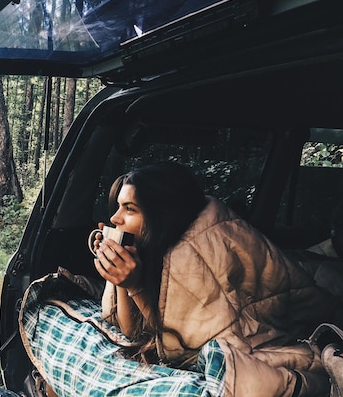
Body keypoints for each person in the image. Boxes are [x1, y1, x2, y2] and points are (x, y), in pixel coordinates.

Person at [19, 161, 343, 396]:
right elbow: (128, 330)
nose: (115, 219)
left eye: (129, 209)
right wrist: (121, 281)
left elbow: (180, 351)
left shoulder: (197, 249)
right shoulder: (148, 250)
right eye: (117, 207)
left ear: (160, 215)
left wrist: (134, 286)